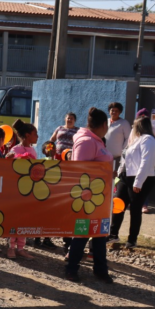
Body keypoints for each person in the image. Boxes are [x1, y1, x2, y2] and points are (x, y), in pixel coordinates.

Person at [65, 108, 114, 283]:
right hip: (87, 198)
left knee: (100, 234)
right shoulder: (86, 141)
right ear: (103, 125)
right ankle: (71, 269)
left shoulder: (97, 141)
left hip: (100, 198)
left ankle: (100, 269)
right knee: (82, 234)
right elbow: (79, 171)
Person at [109, 116, 155, 248]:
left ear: (139, 126)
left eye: (134, 126)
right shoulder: (135, 140)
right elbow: (125, 159)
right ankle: (113, 234)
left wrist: (138, 182)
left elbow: (145, 162)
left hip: (140, 178)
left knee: (135, 209)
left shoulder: (148, 140)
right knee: (118, 204)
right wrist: (118, 174)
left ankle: (132, 239)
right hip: (125, 177)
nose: (132, 128)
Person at [4, 119, 39, 260]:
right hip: (15, 190)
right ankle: (11, 247)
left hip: (28, 189)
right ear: (27, 135)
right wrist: (8, 158)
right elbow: (8, 166)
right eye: (35, 134)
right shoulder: (15, 149)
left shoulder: (33, 151)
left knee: (24, 219)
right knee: (14, 218)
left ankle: (21, 248)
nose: (37, 137)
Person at [105, 102, 131, 172]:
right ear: (109, 111)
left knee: (114, 178)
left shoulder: (124, 123)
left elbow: (128, 138)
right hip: (104, 157)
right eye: (112, 110)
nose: (114, 112)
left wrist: (123, 150)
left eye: (116, 111)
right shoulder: (105, 122)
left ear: (120, 112)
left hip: (116, 158)